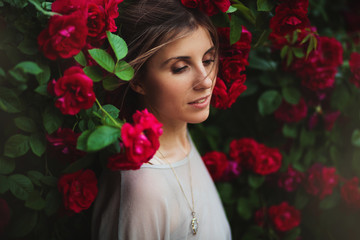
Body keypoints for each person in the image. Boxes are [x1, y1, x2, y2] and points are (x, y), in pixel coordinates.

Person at [91, 0, 232, 239]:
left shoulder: (181, 135)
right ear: (136, 79)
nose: (206, 81)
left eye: (208, 60)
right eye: (180, 67)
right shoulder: (143, 189)